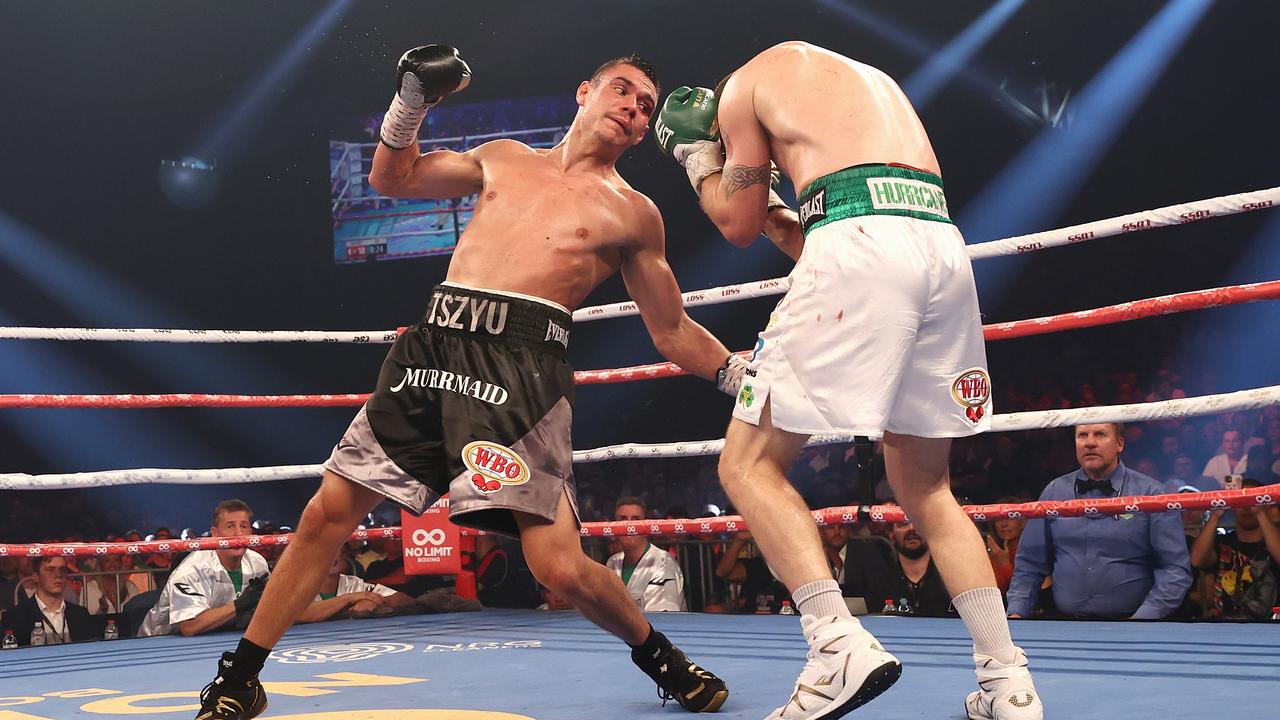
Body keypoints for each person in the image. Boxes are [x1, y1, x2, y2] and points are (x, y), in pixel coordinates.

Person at [196, 46, 731, 719]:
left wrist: (739, 375)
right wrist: (411, 101)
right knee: (325, 515)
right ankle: (241, 676)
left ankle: (661, 657)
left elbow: (671, 329)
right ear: (584, 91)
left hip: (523, 373)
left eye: (646, 106)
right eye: (623, 91)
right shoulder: (504, 156)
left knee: (559, 568)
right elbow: (394, 179)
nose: (633, 108)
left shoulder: (634, 213)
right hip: (434, 349)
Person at [654, 41, 1039, 719]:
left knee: (747, 465)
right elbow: (821, 229)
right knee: (926, 486)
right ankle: (1008, 682)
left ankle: (836, 645)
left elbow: (735, 223)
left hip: (860, 244)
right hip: (939, 246)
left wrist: (698, 159)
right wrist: (777, 206)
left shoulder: (745, 86)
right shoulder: (864, 82)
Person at [1007, 423, 1192, 620]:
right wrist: (1017, 613)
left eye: (1100, 434)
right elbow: (1029, 563)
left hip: (1134, 624)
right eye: (1082, 435)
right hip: (1065, 625)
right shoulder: (1054, 492)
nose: (1090, 443)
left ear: (1119, 443)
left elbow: (1174, 568)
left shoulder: (1151, 493)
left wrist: (1144, 619)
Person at [138, 499, 270, 637]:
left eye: (243, 526)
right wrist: (241, 604)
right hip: (160, 642)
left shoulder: (258, 563)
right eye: (230, 526)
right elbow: (189, 626)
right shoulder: (193, 568)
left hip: (221, 637)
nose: (238, 534)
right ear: (215, 533)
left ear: (250, 531)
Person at [842, 502, 955, 617]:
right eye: (903, 524)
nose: (911, 528)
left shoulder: (952, 580)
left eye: (918, 523)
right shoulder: (879, 583)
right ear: (891, 534)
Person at [1188, 478, 1280, 619]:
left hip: (1270, 624)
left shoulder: (1274, 543)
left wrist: (1260, 512)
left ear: (1266, 505)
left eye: (1253, 500)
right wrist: (1217, 513)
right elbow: (1196, 560)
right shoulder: (1223, 542)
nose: (1247, 507)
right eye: (1241, 501)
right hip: (1225, 625)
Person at [606, 497, 687, 611]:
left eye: (636, 519)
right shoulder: (613, 562)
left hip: (660, 628)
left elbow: (662, 617)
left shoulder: (662, 562)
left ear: (646, 524)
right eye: (623, 519)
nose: (629, 526)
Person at [0, 556, 95, 645]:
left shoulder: (80, 614)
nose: (58, 575)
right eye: (50, 570)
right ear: (36, 576)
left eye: (62, 570)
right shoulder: (15, 617)